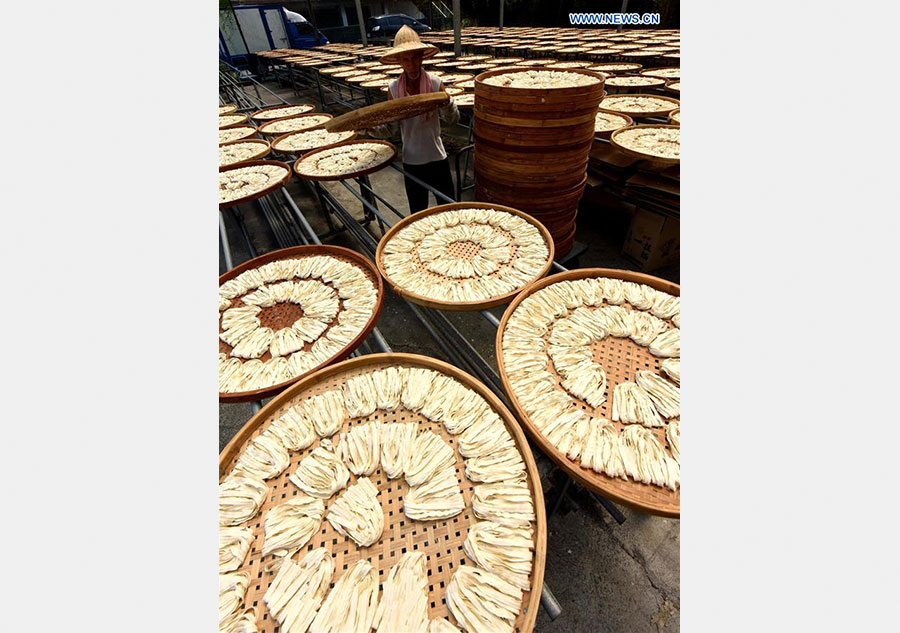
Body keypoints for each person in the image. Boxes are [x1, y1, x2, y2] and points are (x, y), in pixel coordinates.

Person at [368, 25, 460, 214]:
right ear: (399, 61)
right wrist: (371, 128)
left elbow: (453, 120)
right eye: (406, 59)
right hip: (412, 162)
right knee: (418, 214)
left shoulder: (435, 83)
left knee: (449, 210)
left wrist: (448, 103)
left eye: (415, 57)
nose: (411, 64)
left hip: (437, 158)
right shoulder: (394, 89)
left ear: (421, 57)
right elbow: (391, 129)